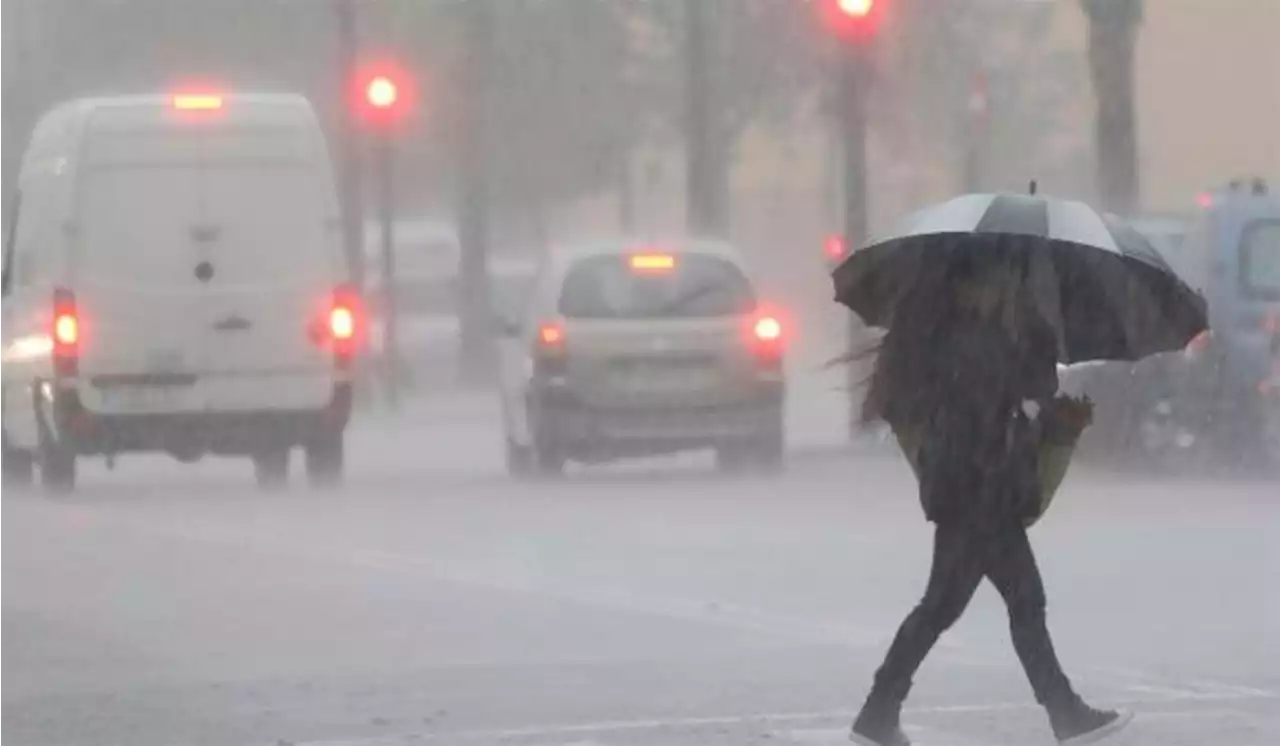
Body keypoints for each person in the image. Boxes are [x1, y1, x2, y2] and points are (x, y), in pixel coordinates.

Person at [850, 244, 1133, 746]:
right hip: (979, 492)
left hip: (975, 490)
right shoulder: (977, 341)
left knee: (948, 606)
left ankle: (879, 711)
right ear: (973, 285)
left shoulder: (971, 337)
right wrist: (1037, 357)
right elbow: (1008, 404)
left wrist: (1051, 412)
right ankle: (1064, 713)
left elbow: (1012, 408)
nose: (1006, 287)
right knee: (1015, 602)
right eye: (1002, 279)